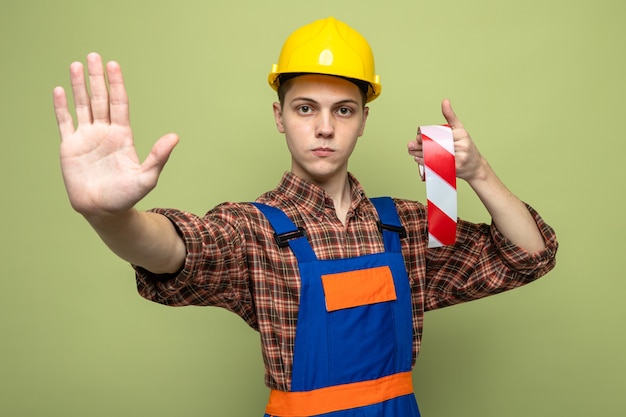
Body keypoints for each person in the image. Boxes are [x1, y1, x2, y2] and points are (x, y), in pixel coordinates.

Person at [53, 16, 557, 417]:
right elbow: (174, 249)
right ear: (279, 117)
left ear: (363, 120)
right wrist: (110, 216)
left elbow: (529, 255)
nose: (323, 128)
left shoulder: (405, 228)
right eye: (304, 108)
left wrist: (479, 173)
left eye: (343, 110)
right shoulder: (253, 230)